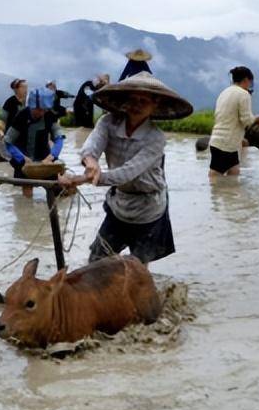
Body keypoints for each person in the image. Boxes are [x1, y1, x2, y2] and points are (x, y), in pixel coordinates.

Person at [57, 72, 190, 266]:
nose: (136, 105)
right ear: (125, 101)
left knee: (138, 269)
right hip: (119, 203)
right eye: (133, 99)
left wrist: (82, 179)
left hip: (148, 208)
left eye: (143, 101)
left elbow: (127, 172)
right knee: (96, 261)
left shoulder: (156, 138)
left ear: (155, 105)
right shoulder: (108, 122)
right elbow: (91, 147)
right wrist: (90, 162)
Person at [4, 90, 65, 198]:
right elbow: (8, 142)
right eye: (39, 109)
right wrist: (22, 158)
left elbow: (59, 138)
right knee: (27, 191)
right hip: (23, 158)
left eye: (44, 109)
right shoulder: (21, 116)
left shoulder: (49, 115)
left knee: (55, 190)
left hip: (45, 158)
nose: (41, 112)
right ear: (31, 106)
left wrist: (52, 156)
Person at [208, 66, 259, 179]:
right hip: (227, 143)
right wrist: (257, 119)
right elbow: (246, 120)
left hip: (217, 140)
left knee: (234, 171)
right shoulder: (243, 94)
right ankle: (215, 194)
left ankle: (226, 194)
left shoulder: (224, 92)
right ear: (247, 80)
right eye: (250, 82)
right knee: (215, 175)